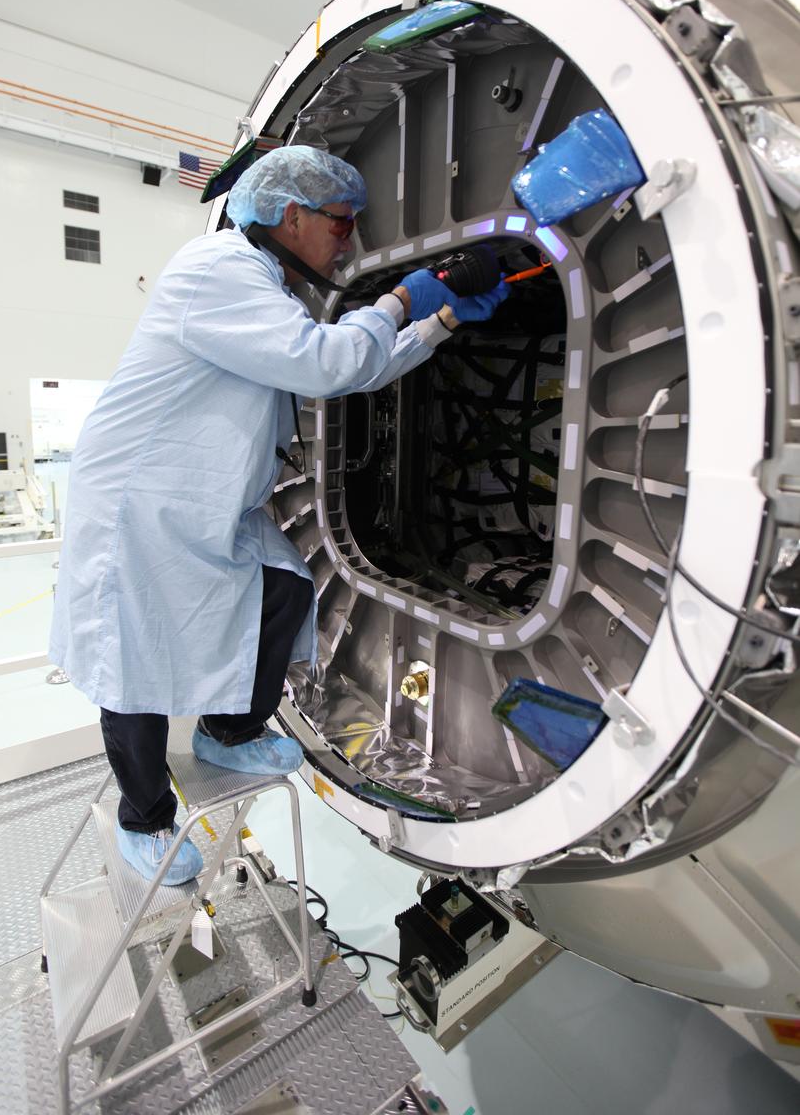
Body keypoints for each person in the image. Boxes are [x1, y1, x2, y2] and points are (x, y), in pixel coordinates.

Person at [49, 146, 508, 884]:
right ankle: (146, 822)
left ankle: (227, 732)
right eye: (340, 221)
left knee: (285, 588)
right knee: (129, 667)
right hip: (136, 502)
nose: (348, 239)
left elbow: (351, 369)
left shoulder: (263, 286)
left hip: (205, 499)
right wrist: (399, 300)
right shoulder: (216, 270)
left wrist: (441, 321)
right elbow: (327, 363)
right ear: (289, 215)